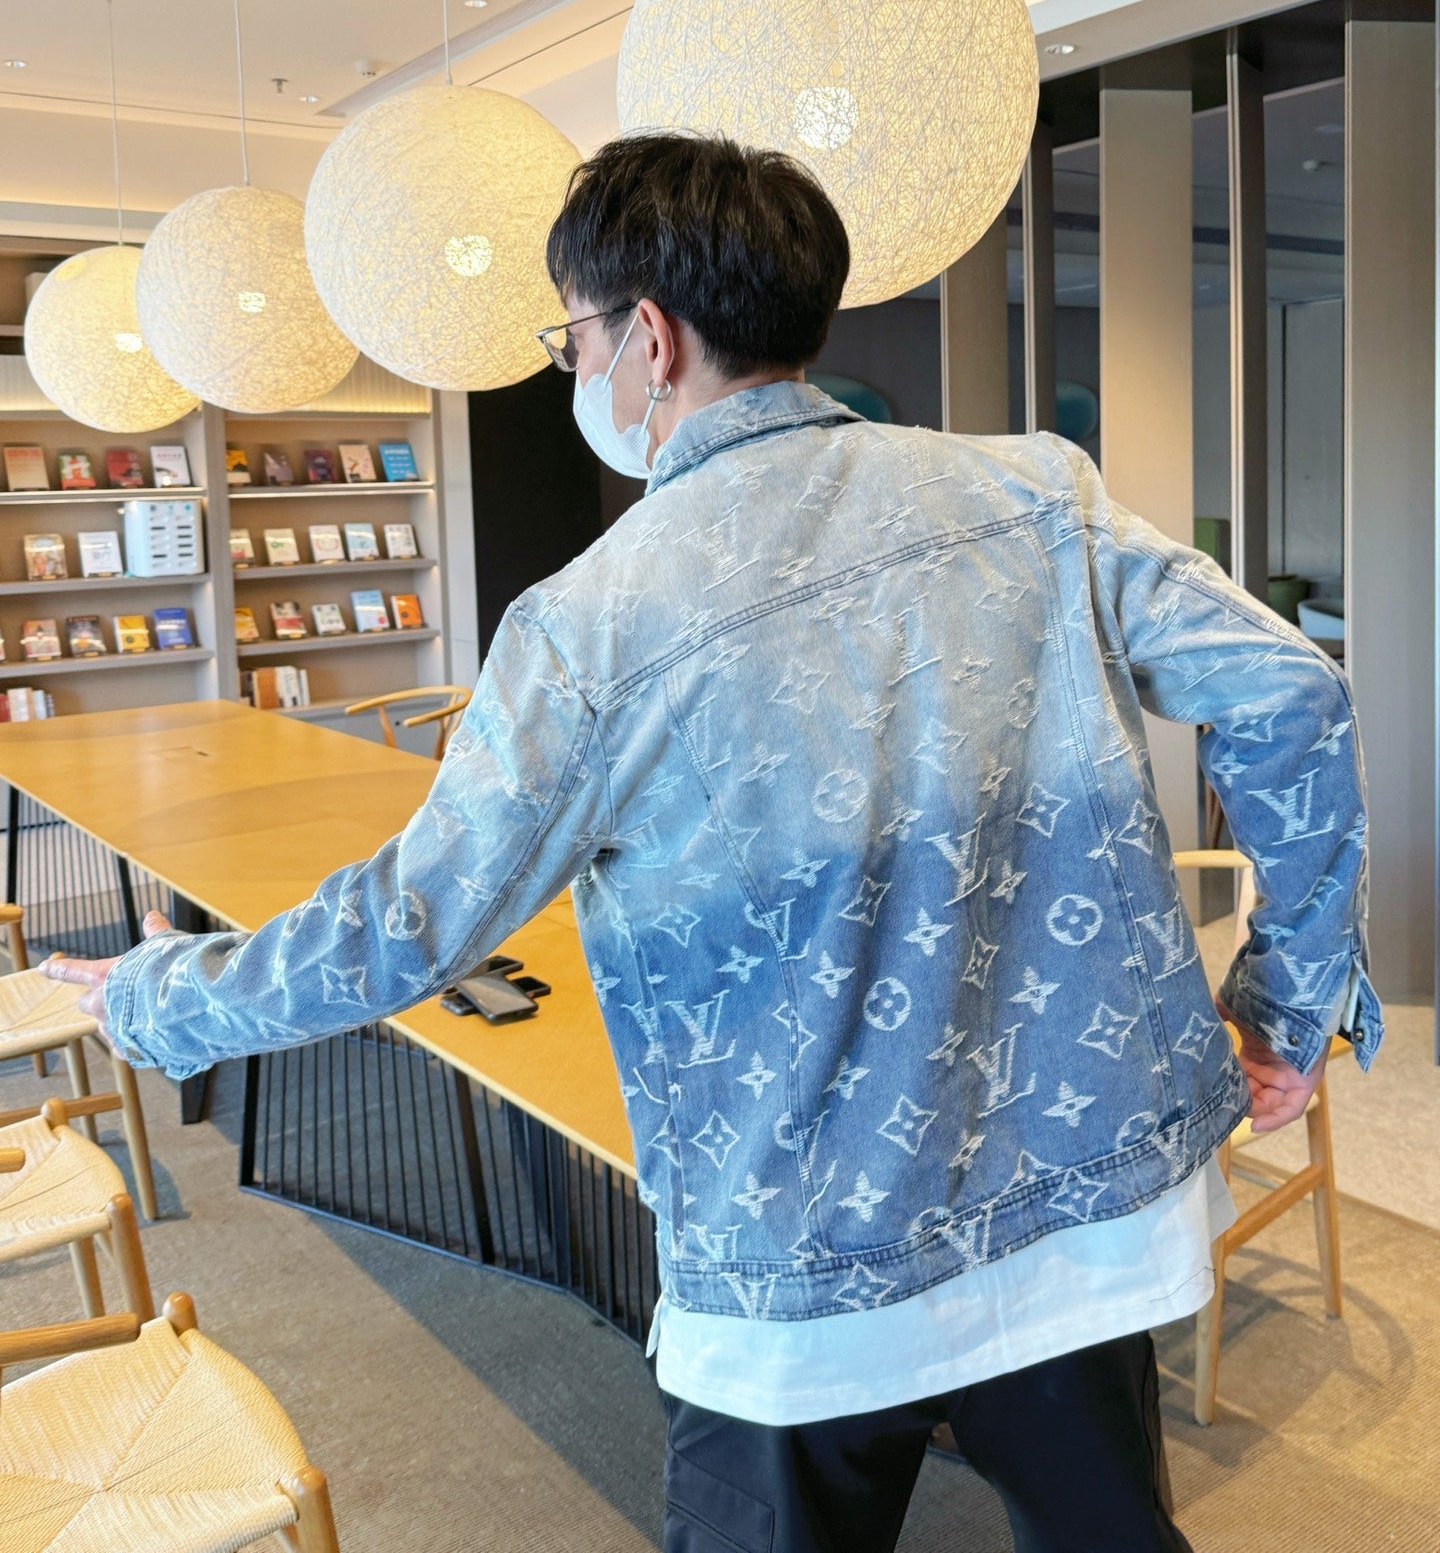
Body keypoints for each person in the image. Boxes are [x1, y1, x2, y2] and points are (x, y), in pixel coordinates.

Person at [45, 133, 1379, 1553]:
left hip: (800, 1269)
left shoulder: (590, 623)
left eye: (573, 341)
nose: (575, 373)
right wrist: (1287, 999)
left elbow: (412, 924)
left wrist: (163, 998)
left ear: (652, 340)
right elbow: (1291, 692)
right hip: (1090, 1215)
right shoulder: (1040, 495)